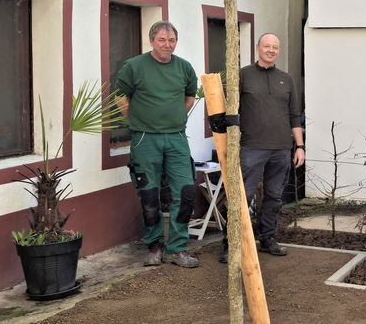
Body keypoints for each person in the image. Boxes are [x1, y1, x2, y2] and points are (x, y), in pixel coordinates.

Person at [116, 21, 200, 268]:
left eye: (172, 40)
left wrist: (174, 119)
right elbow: (121, 98)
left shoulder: (184, 67)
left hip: (176, 138)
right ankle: (154, 246)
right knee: (149, 194)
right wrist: (137, 121)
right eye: (162, 40)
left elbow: (189, 97)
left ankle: (178, 248)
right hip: (145, 138)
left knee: (184, 192)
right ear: (152, 40)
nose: (167, 44)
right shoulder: (134, 67)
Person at [219, 33, 305, 263]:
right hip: (251, 147)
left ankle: (267, 239)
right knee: (242, 197)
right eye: (267, 46)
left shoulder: (285, 79)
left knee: (274, 197)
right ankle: (230, 244)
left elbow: (294, 115)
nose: (271, 50)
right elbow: (231, 109)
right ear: (258, 47)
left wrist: (300, 146)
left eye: (275, 47)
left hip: (280, 149)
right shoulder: (243, 75)